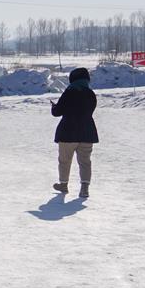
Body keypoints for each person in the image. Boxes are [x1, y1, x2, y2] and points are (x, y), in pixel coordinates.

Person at [51, 67, 98, 198]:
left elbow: (57, 112)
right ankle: (84, 188)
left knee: (65, 160)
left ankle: (64, 184)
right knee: (85, 162)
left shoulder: (69, 92)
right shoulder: (90, 94)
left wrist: (54, 107)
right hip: (87, 132)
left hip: (68, 133)